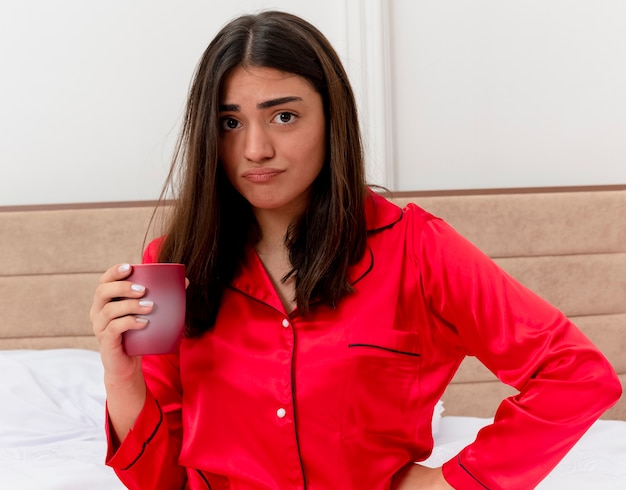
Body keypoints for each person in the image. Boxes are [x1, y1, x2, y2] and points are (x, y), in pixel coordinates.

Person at [90, 10, 621, 490]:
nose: (255, 149)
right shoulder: (177, 265)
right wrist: (121, 374)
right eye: (230, 123)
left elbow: (575, 375)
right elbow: (160, 482)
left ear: (331, 118)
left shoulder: (418, 249)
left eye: (283, 116)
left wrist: (457, 482)